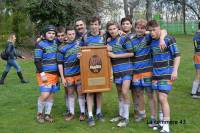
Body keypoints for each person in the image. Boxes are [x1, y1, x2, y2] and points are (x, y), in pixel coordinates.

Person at [147, 20, 180, 133]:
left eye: (154, 30)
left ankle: (166, 126)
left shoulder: (169, 39)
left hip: (167, 73)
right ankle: (161, 122)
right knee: (158, 98)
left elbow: (177, 56)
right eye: (150, 30)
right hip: (155, 74)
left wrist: (175, 71)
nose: (152, 33)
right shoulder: (151, 41)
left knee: (162, 98)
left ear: (159, 28)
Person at [107, 21, 134, 127]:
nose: (112, 31)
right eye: (110, 29)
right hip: (117, 71)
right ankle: (121, 115)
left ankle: (126, 118)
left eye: (114, 28)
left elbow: (131, 53)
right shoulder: (108, 42)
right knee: (119, 94)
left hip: (127, 69)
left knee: (124, 92)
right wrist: (111, 73)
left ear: (118, 29)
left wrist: (115, 56)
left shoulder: (124, 38)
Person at [57, 26, 86, 121]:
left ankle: (83, 113)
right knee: (70, 94)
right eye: (69, 34)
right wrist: (62, 77)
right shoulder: (61, 47)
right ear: (66, 35)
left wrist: (82, 56)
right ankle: (71, 113)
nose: (71, 36)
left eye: (73, 34)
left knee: (80, 93)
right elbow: (60, 64)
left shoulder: (80, 43)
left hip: (79, 73)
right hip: (68, 74)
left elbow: (88, 51)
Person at [82, 16, 106, 126]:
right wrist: (79, 55)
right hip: (89, 68)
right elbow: (81, 50)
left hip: (101, 68)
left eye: (96, 24)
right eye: (92, 24)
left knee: (99, 91)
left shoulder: (104, 36)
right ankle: (90, 115)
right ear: (89, 25)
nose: (94, 26)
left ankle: (99, 112)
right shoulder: (85, 37)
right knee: (90, 92)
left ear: (100, 25)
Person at [34, 25, 60, 123]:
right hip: (45, 74)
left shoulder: (56, 42)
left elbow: (65, 37)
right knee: (45, 94)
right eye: (49, 33)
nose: (51, 35)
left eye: (53, 33)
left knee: (51, 95)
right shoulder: (39, 44)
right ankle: (40, 114)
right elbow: (37, 61)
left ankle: (47, 115)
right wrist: (42, 74)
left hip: (55, 74)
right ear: (45, 34)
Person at [191, 22, 200, 98]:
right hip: (198, 56)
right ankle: (194, 93)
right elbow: (197, 47)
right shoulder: (197, 35)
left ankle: (198, 91)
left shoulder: (196, 35)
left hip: (197, 56)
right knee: (198, 74)